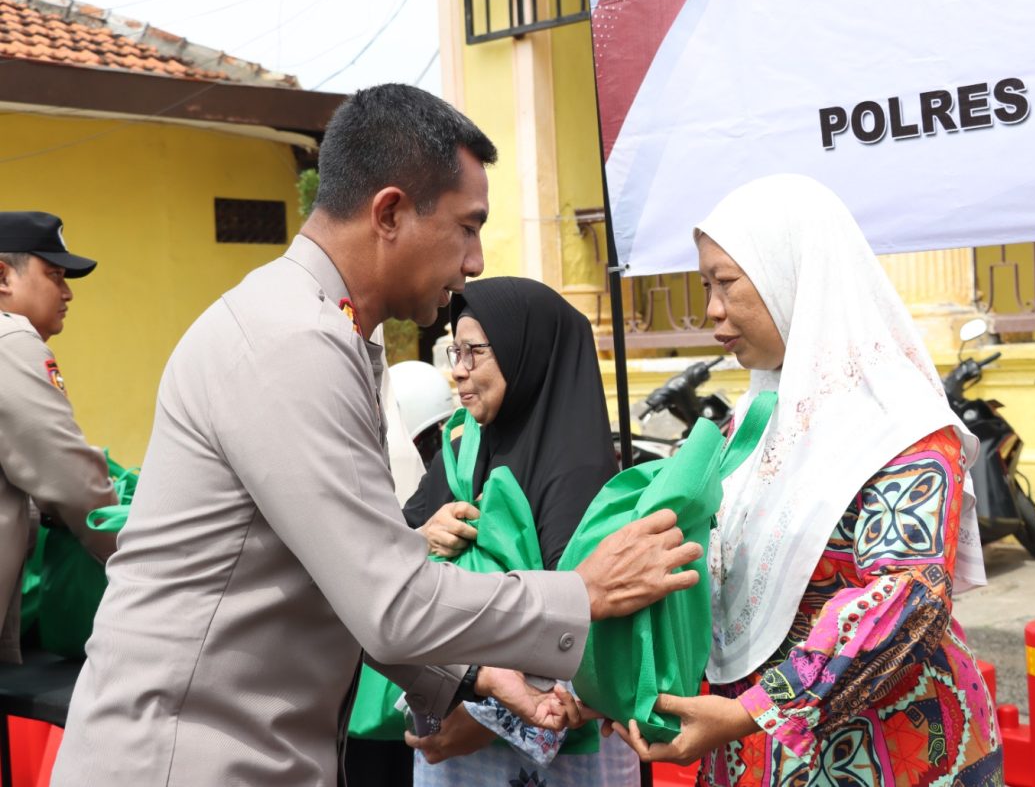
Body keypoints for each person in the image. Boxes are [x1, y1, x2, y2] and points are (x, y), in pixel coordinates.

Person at [51, 84, 701, 787]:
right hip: (187, 759)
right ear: (389, 213)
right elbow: (391, 601)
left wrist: (476, 676)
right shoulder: (291, 341)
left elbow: (342, 583)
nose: (476, 261)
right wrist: (581, 593)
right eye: (467, 227)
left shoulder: (320, 329)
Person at [610, 175, 1002, 785]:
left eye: (726, 282)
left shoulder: (900, 428)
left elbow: (907, 595)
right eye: (706, 285)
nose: (712, 309)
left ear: (792, 277)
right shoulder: (751, 426)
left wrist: (752, 711)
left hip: (890, 751)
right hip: (752, 751)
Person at [402, 277, 638, 786]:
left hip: (548, 753)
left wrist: (483, 722)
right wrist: (422, 535)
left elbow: (595, 621)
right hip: (452, 736)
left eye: (475, 352)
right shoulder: (463, 449)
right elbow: (382, 559)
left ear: (524, 354)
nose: (458, 369)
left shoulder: (576, 469)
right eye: (455, 351)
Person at [0, 211, 118, 663]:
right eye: (54, 275)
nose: (67, 293)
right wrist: (136, 560)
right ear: (2, 276)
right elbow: (70, 480)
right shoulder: (10, 340)